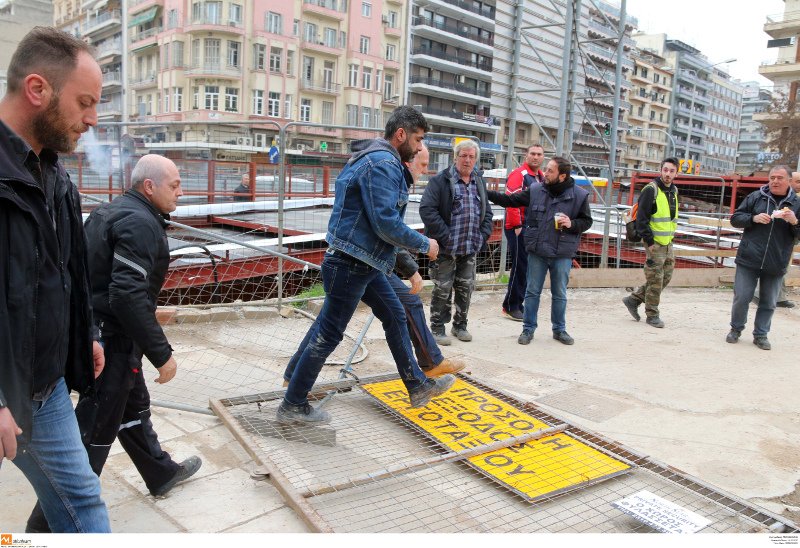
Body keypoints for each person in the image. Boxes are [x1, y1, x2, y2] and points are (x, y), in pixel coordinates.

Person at [25, 155, 202, 532]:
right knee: (92, 436)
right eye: (174, 185)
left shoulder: (111, 211)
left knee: (133, 406)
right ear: (149, 186)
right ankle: (41, 531)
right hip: (111, 341)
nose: (181, 192)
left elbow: (101, 280)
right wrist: (162, 354)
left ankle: (160, 472)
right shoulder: (140, 223)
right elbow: (125, 295)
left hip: (100, 329)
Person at [278, 106, 455, 425]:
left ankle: (417, 385)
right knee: (330, 332)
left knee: (395, 312)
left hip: (363, 260)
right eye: (418, 140)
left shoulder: (374, 158)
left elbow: (375, 225)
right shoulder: (383, 164)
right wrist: (423, 243)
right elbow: (385, 223)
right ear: (401, 134)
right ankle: (293, 404)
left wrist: (407, 264)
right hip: (352, 262)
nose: (418, 148)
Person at [0, 27, 110, 533]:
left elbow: (64, 273)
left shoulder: (54, 174)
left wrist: (84, 332)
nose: (92, 118)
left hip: (44, 391)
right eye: (85, 102)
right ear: (38, 90)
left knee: (82, 502)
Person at [486, 157, 593, 346]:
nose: (546, 172)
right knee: (532, 291)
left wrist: (572, 223)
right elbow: (510, 200)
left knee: (559, 293)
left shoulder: (579, 195)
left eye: (550, 170)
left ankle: (559, 330)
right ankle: (528, 329)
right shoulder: (536, 190)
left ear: (562, 176)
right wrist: (485, 192)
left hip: (562, 253)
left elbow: (587, 221)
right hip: (537, 251)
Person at [420, 140, 494, 344]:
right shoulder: (441, 181)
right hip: (445, 248)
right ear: (456, 157)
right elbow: (427, 210)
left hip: (469, 248)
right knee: (442, 289)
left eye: (471, 157)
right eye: (464, 156)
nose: (467, 160)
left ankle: (460, 326)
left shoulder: (479, 181)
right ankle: (437, 327)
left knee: (465, 288)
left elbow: (487, 213)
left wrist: (482, 236)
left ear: (476, 160)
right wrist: (446, 236)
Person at [726, 165, 800, 350]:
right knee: (742, 297)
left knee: (768, 301)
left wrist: (794, 221)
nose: (775, 181)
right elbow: (735, 218)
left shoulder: (797, 205)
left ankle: (761, 335)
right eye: (772, 177)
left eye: (779, 178)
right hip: (749, 257)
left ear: (789, 181)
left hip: (776, 260)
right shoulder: (755, 197)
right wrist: (753, 219)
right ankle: (736, 329)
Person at [622, 157, 680, 328]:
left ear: (676, 173)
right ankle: (652, 314)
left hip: (667, 242)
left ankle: (634, 299)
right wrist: (649, 241)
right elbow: (642, 219)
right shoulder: (651, 190)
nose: (667, 174)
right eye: (665, 170)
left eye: (671, 171)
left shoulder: (673, 190)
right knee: (656, 278)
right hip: (655, 242)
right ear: (661, 170)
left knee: (666, 277)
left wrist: (670, 239)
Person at [501, 144, 545, 321]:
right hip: (519, 227)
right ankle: (511, 306)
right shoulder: (519, 175)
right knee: (520, 266)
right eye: (532, 153)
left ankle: (517, 303)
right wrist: (517, 226)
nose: (535, 157)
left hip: (533, 227)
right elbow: (511, 200)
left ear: (543, 158)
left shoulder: (541, 177)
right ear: (526, 156)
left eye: (539, 154)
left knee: (526, 267)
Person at [753, 170, 800, 308]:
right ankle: (764, 295)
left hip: (790, 236)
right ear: (789, 181)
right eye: (797, 181)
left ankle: (777, 296)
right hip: (777, 237)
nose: (799, 185)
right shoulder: (779, 198)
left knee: (782, 265)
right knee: (774, 264)